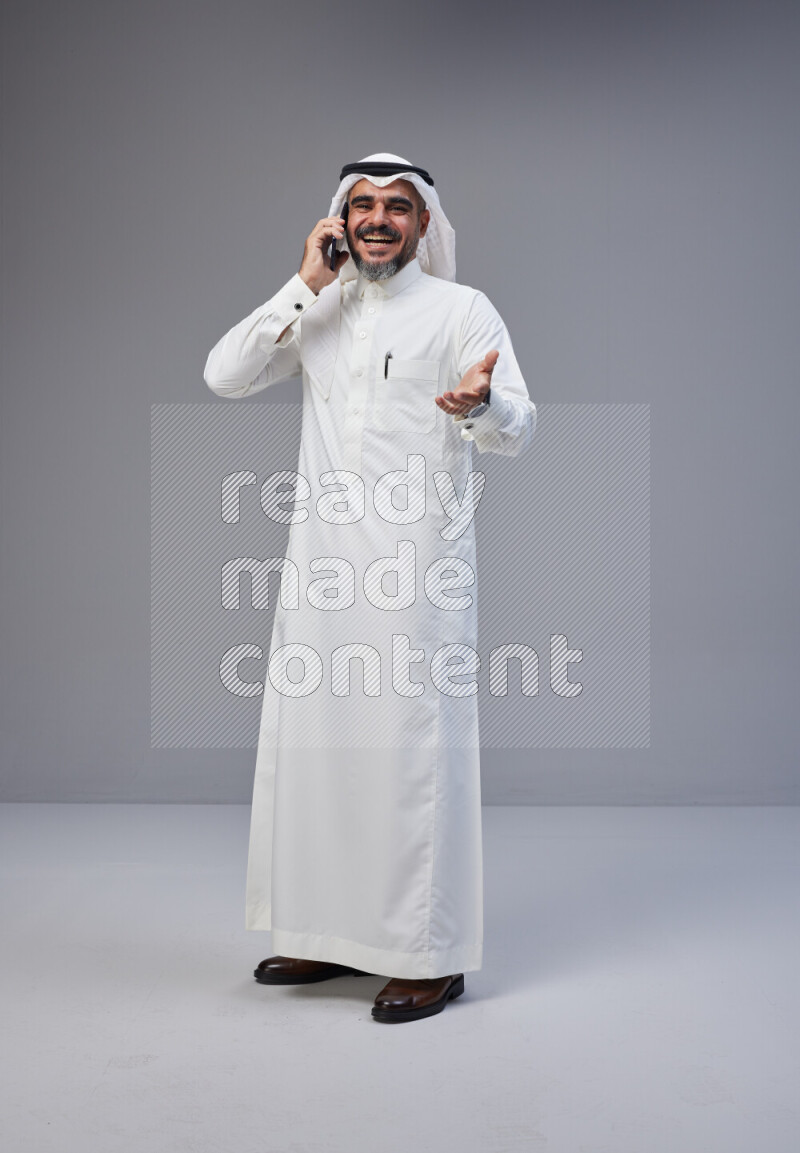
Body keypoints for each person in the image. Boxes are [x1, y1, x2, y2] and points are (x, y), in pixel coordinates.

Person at [204, 153, 537, 1023]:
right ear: (339, 222)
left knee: (409, 762)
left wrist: (478, 405)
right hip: (319, 571)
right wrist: (301, 283)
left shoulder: (463, 310)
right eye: (362, 207)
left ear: (425, 224)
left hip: (415, 574)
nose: (378, 220)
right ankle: (324, 933)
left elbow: (520, 425)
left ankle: (428, 954)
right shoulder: (320, 307)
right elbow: (224, 375)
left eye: (397, 207)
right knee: (317, 754)